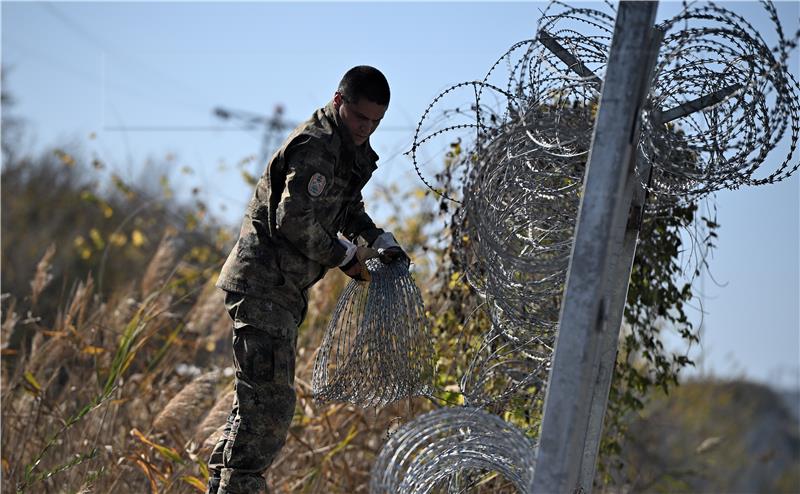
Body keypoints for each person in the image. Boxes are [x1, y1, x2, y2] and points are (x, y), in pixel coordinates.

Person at [206, 66, 408, 494]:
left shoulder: (347, 149)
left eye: (375, 122)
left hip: (278, 292)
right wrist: (345, 257)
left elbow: (346, 208)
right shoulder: (317, 146)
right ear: (339, 102)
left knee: (255, 402)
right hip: (262, 286)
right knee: (271, 405)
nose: (366, 128)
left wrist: (377, 239)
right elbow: (292, 217)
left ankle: (223, 486)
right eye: (359, 118)